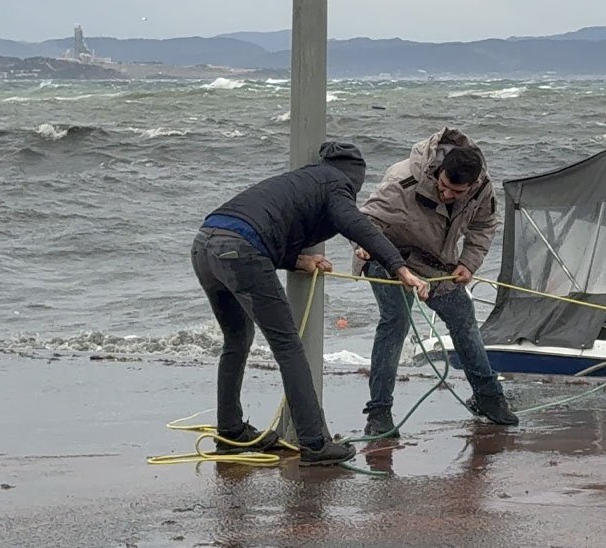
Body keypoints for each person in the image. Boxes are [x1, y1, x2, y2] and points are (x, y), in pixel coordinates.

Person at [191, 141, 430, 466]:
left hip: (205, 244)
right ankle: (315, 442)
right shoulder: (336, 185)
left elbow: (269, 225)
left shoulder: (304, 180)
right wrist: (399, 267)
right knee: (288, 345)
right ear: (355, 178)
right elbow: (361, 227)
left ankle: (231, 432)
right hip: (239, 250)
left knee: (236, 340)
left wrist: (297, 261)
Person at [353, 128, 519, 437]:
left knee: (464, 320)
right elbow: (365, 221)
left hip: (435, 264)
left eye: (456, 193)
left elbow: (484, 225)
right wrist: (363, 245)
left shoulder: (483, 189)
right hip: (388, 257)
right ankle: (379, 414)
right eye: (443, 188)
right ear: (437, 172)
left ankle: (489, 399)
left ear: (472, 184)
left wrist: (468, 262)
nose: (447, 195)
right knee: (396, 323)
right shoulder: (403, 181)